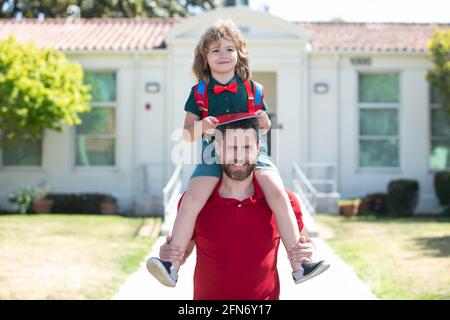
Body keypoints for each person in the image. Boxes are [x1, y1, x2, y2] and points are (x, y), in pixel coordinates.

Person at [146, 19, 329, 288]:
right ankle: (171, 264)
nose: (222, 55)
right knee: (192, 198)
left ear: (239, 54)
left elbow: (264, 124)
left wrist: (265, 122)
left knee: (278, 193)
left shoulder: (254, 89)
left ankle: (300, 263)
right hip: (213, 155)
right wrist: (201, 126)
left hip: (255, 154)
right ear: (204, 57)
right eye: (215, 50)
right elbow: (186, 134)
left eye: (229, 49)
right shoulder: (198, 93)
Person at [158, 118, 328, 299]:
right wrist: (170, 254)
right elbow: (184, 253)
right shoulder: (196, 200)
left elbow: (304, 242)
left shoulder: (281, 199)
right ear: (218, 149)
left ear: (258, 149)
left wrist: (310, 250)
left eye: (247, 148)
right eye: (231, 147)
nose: (239, 156)